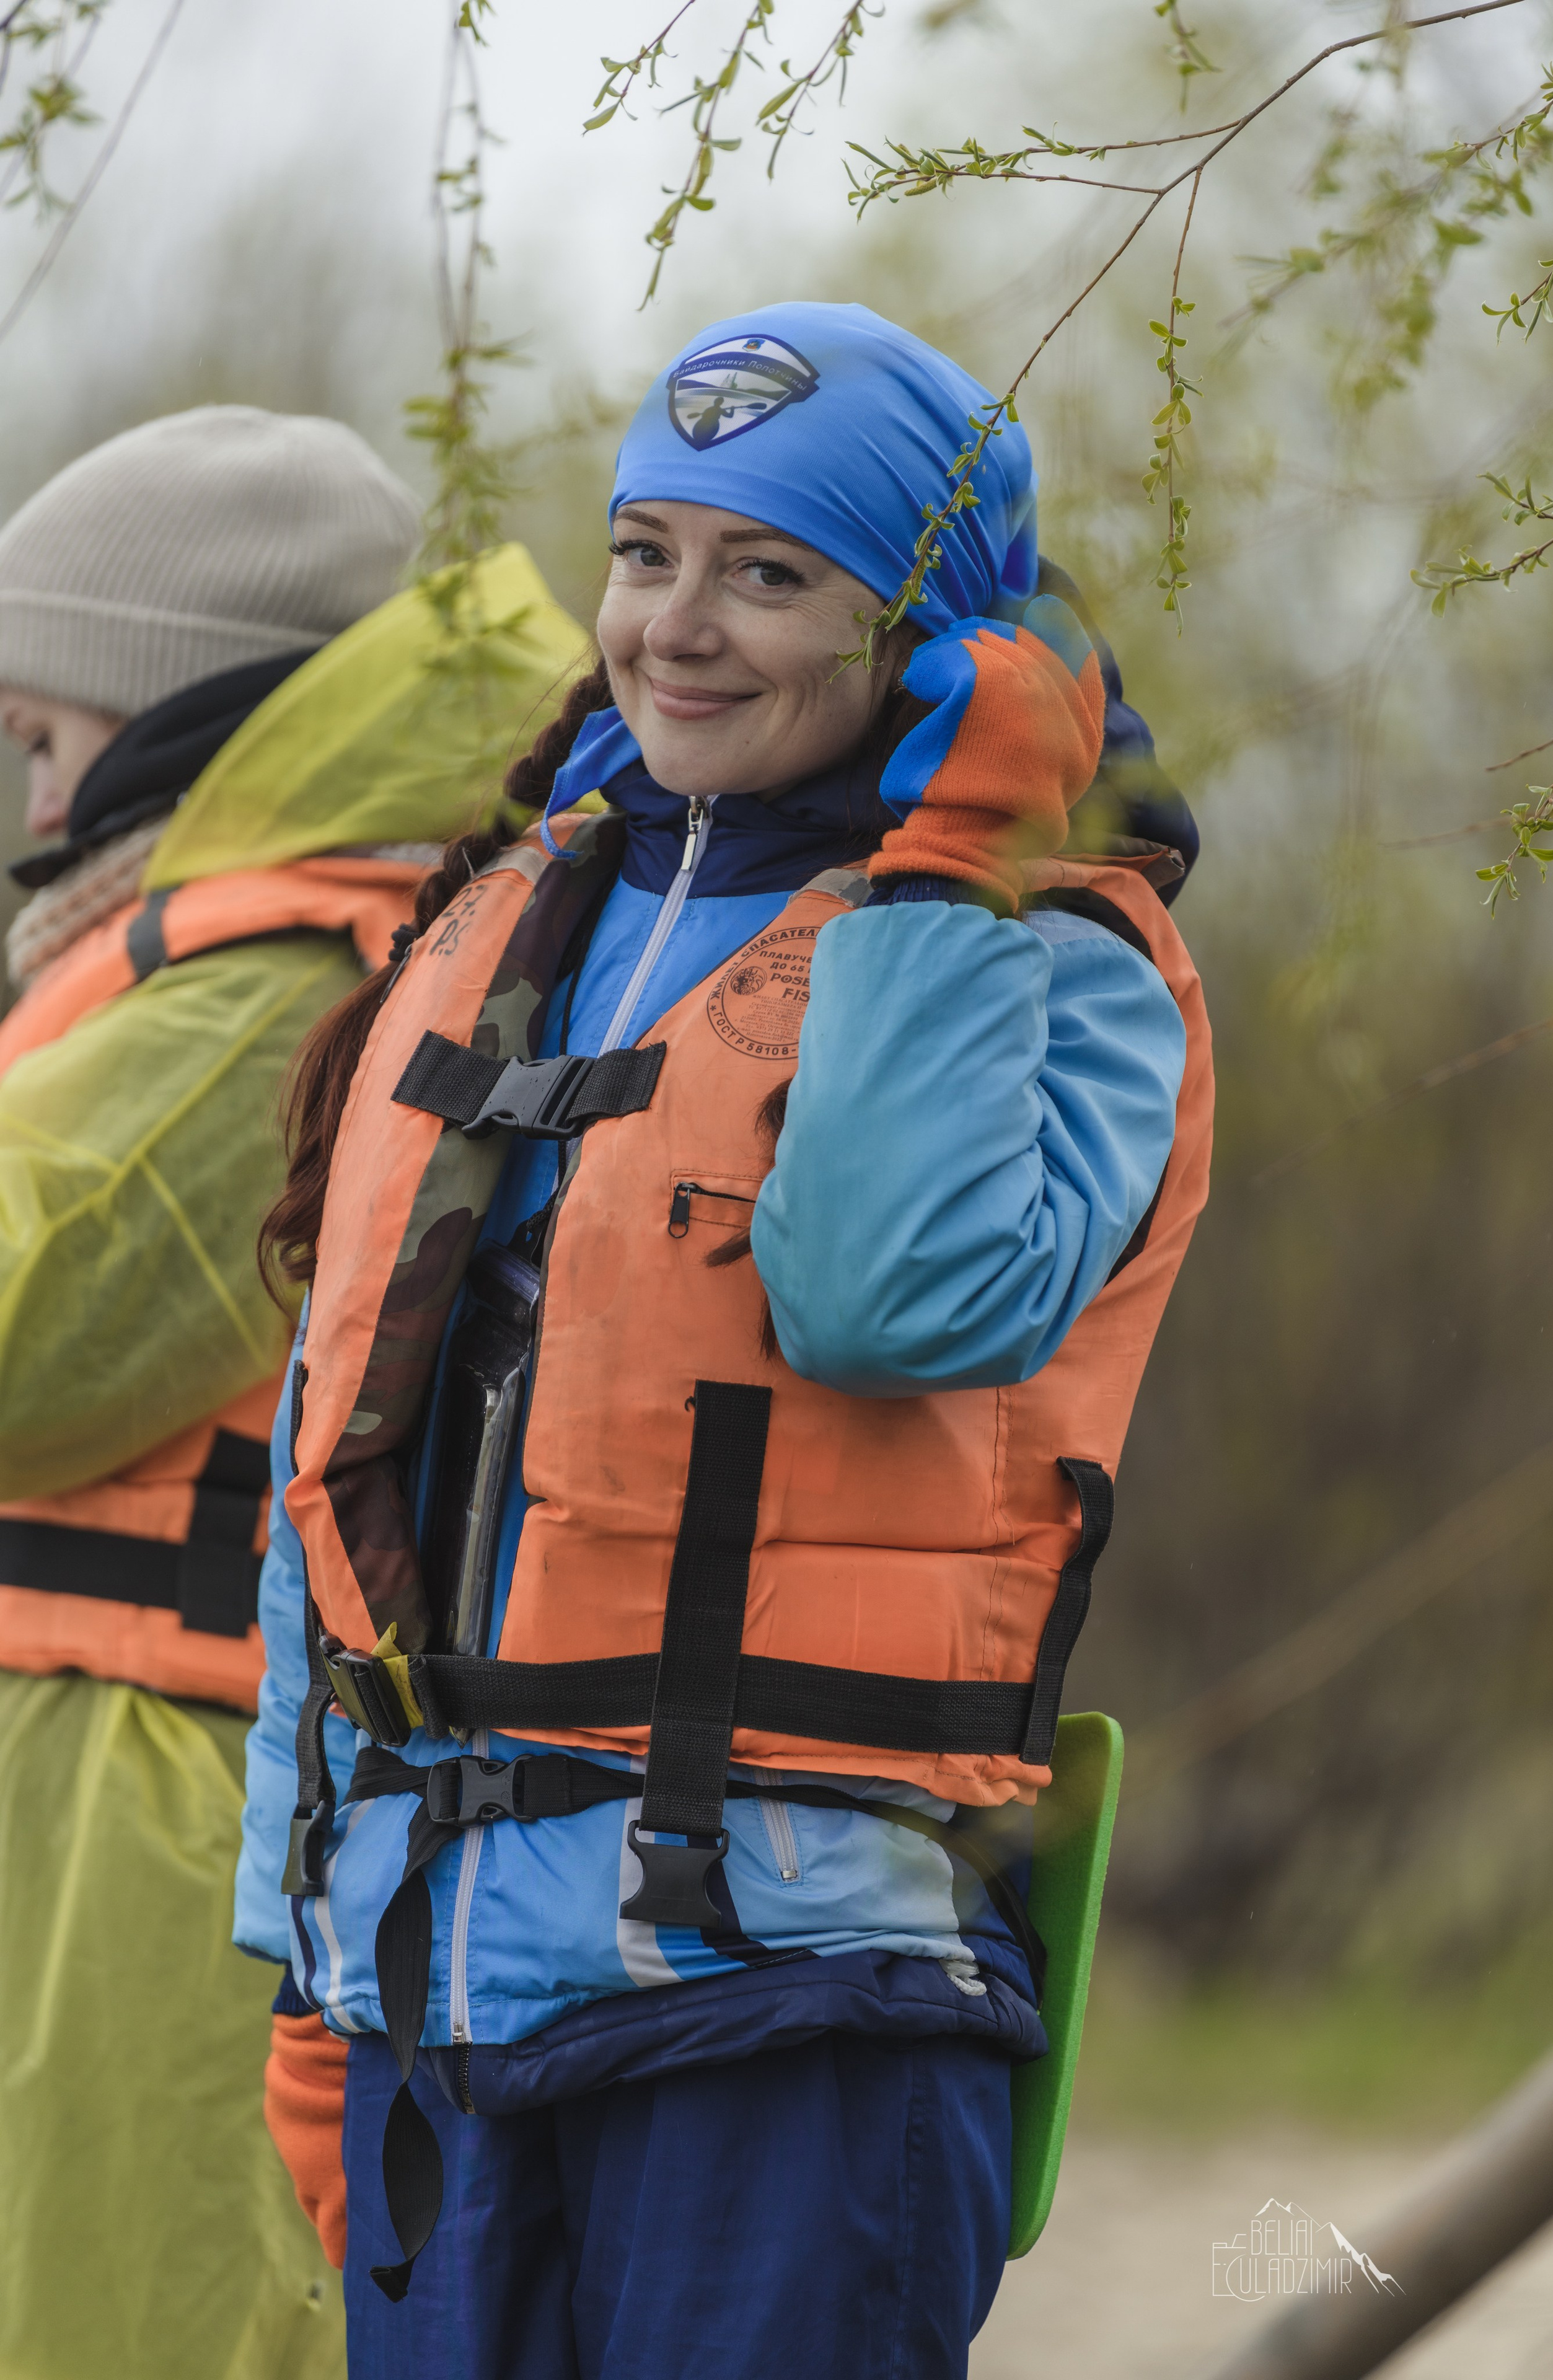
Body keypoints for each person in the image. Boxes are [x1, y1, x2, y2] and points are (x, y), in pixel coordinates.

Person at [245, 302, 1215, 2380]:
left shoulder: (1068, 960)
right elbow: (328, 1473)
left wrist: (949, 872)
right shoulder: (519, 917)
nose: (678, 628)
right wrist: (304, 1973)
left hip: (796, 2013)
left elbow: (898, 1299)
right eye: (648, 551)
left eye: (773, 575)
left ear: (933, 634)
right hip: (434, 2006)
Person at [0, 403, 586, 2380]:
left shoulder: (273, 986)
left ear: (179, 728)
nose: (26, 793)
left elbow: (28, 1347)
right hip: (106, 1786)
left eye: (44, 735)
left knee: (136, 2326)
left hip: (148, 1822)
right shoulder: (222, 958)